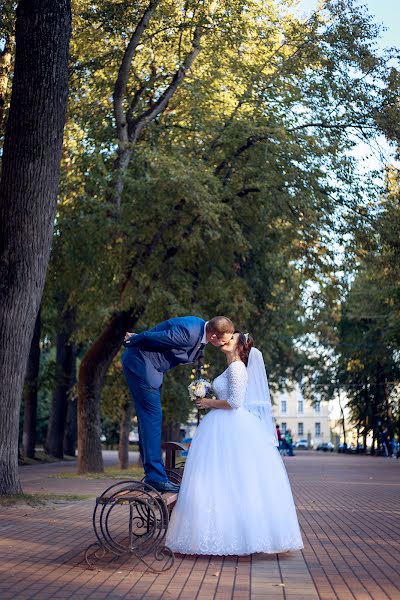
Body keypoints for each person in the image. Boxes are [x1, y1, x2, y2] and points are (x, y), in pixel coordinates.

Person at [166, 332, 304, 555]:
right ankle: (218, 534)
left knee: (230, 479)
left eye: (231, 339)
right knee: (220, 480)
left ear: (240, 347)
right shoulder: (231, 367)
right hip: (222, 426)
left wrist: (207, 401)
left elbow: (235, 402)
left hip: (230, 426)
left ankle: (236, 537)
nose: (225, 340)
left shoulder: (238, 367)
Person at [121, 315, 235, 492]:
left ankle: (153, 475)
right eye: (223, 341)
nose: (223, 345)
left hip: (151, 369)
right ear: (214, 336)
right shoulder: (190, 332)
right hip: (141, 365)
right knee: (152, 418)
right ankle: (156, 478)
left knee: (148, 419)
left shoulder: (200, 334)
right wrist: (133, 339)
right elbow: (156, 337)